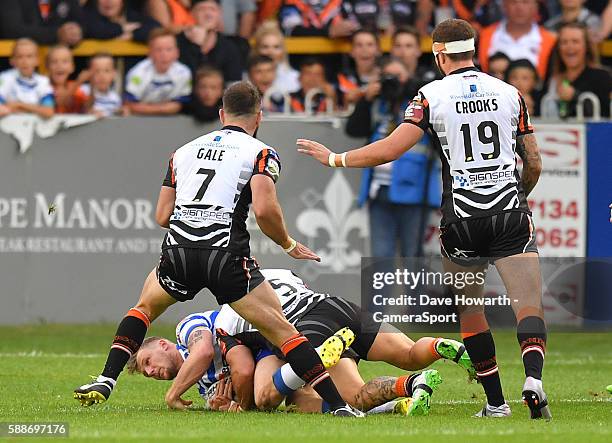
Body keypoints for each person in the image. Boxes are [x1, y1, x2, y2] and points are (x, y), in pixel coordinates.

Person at [298, 18, 551, 420]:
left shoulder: (430, 95)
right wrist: (518, 197)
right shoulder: (510, 93)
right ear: (474, 51)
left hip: (462, 219)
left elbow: (390, 150)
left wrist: (335, 158)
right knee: (528, 304)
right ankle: (533, 380)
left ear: (438, 54)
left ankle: (497, 404)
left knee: (471, 310)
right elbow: (533, 161)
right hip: (508, 210)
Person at [73, 81, 364, 418]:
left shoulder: (182, 152)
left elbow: (162, 215)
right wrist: (288, 244)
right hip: (225, 255)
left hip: (179, 251)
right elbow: (265, 211)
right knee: (284, 331)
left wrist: (192, 226)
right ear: (259, 118)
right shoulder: (261, 152)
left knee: (142, 309)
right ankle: (340, 406)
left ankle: (106, 378)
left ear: (221, 113)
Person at [129, 268, 476, 415]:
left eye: (147, 364)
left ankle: (315, 361)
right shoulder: (272, 273)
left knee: (273, 397)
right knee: (408, 353)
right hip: (337, 305)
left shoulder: (221, 319)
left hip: (304, 330)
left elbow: (240, 368)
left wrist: (242, 404)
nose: (152, 372)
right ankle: (439, 360)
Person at [125, 309, 351, 412]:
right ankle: (376, 406)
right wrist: (226, 405)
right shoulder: (203, 385)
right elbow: (238, 395)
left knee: (264, 397)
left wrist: (172, 394)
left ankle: (305, 361)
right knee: (300, 403)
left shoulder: (185, 329)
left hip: (263, 335)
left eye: (148, 362)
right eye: (147, 374)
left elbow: (203, 352)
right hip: (268, 358)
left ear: (163, 345)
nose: (151, 371)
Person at [346, 57, 439, 258]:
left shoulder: (420, 105)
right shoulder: (378, 105)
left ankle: (416, 292)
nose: (393, 81)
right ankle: (380, 292)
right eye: (388, 77)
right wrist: (366, 99)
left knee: (413, 256)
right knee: (380, 256)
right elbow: (353, 129)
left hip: (414, 193)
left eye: (398, 76)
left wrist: (412, 92)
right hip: (379, 192)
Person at [544, 21, 610, 118]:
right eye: (564, 42)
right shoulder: (552, 79)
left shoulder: (602, 77)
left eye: (575, 41)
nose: (569, 47)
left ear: (586, 46)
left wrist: (576, 96)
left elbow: (605, 115)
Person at [478, 0, 556, 80]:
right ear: (503, 6)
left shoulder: (551, 40)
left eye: (525, 2)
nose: (519, 8)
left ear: (536, 6)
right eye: (513, 2)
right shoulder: (483, 35)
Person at [124, 29, 192, 115]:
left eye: (169, 49)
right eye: (159, 50)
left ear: (177, 53)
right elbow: (130, 105)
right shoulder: (137, 73)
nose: (164, 54)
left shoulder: (184, 73)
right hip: (139, 120)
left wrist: (148, 109)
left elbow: (178, 106)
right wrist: (163, 109)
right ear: (150, 53)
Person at [177, 0, 243, 81]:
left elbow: (233, 83)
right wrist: (196, 47)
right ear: (191, 13)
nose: (208, 14)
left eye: (213, 9)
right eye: (202, 9)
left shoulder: (229, 47)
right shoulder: (177, 43)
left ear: (219, 14)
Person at [0, 39, 55, 119]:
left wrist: (19, 105)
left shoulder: (43, 81)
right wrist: (36, 109)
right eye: (20, 57)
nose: (24, 61)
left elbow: (48, 111)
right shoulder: (4, 78)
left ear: (37, 60)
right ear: (12, 61)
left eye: (29, 56)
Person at [0, 0, 84, 46]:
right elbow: (11, 29)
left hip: (64, 68)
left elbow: (83, 24)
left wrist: (75, 32)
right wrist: (57, 34)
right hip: (13, 69)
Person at [251, 21, 300, 95]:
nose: (271, 52)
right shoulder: (245, 78)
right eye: (265, 47)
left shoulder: (295, 78)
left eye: (276, 47)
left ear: (283, 50)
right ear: (257, 49)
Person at [337, 29, 381, 108]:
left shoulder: (386, 75)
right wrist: (366, 92)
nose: (365, 49)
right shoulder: (344, 77)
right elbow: (346, 102)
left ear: (378, 51)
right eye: (359, 45)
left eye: (370, 45)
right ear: (352, 52)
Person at [82, 0, 160, 43]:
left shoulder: (132, 16)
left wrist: (132, 36)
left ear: (122, 2)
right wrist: (122, 28)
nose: (109, 1)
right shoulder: (88, 16)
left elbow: (156, 28)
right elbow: (96, 31)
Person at [278, 0, 359, 38]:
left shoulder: (340, 2)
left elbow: (356, 26)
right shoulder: (292, 2)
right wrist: (329, 31)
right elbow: (293, 31)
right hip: (301, 61)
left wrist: (350, 28)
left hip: (337, 60)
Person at [46, 45, 89, 114]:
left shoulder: (77, 88)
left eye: (65, 61)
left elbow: (86, 107)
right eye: (54, 62)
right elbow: (60, 103)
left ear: (72, 67)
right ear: (47, 67)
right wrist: (78, 82)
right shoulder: (44, 86)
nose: (59, 65)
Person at [81, 53, 123, 117]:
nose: (102, 76)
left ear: (114, 74)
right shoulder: (83, 91)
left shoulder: (115, 97)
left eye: (107, 71)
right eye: (97, 71)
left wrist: (121, 112)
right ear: (89, 73)